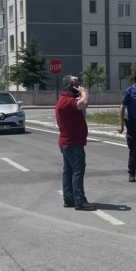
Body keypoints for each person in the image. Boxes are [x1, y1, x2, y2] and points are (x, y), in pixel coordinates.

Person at [55, 74, 95, 210]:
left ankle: (69, 199)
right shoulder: (66, 101)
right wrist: (84, 93)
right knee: (78, 170)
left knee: (69, 171)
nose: (79, 85)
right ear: (69, 86)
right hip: (72, 143)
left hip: (70, 142)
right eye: (76, 83)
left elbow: (82, 105)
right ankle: (79, 201)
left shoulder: (67, 100)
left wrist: (82, 94)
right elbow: (84, 103)